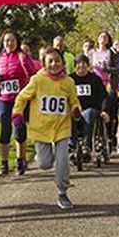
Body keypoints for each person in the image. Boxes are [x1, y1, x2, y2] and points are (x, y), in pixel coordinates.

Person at [12, 48, 81, 209]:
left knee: (63, 160)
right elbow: (22, 97)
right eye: (50, 61)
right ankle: (40, 157)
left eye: (57, 60)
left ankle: (63, 193)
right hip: (41, 128)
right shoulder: (37, 80)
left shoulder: (69, 82)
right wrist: (17, 113)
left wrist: (76, 109)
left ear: (63, 63)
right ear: (44, 64)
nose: (54, 64)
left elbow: (74, 100)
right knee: (44, 164)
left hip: (62, 127)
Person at [0, 32, 38, 176]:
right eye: (6, 41)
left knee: (19, 128)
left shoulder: (22, 56)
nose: (9, 43)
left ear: (16, 42)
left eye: (11, 40)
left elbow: (32, 74)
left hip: (19, 98)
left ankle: (20, 160)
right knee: (5, 129)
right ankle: (4, 164)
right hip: (3, 98)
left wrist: (24, 62)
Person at [69, 54, 109, 160]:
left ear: (88, 65)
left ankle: (86, 145)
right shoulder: (69, 80)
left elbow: (104, 97)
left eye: (84, 63)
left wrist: (104, 110)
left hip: (91, 110)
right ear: (75, 65)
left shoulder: (95, 79)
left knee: (89, 113)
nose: (81, 66)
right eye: (78, 63)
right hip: (74, 110)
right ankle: (71, 146)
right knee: (71, 114)